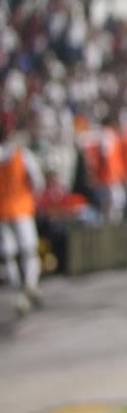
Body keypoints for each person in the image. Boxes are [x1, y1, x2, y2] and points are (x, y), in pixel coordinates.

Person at [0, 123, 46, 317]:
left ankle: (19, 291)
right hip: (21, 208)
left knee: (9, 253)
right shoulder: (22, 154)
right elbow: (37, 182)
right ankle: (29, 285)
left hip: (2, 211)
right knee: (29, 250)